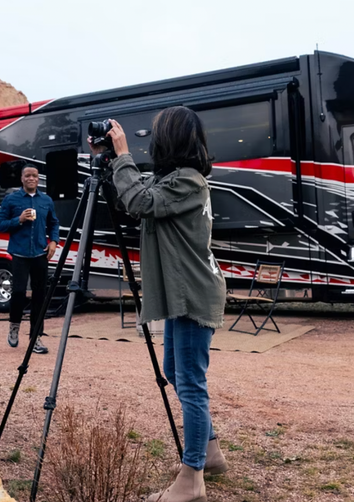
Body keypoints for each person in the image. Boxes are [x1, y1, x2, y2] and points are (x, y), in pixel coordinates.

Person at [95, 107, 227, 502]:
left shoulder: (187, 182)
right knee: (176, 370)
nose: (150, 139)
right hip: (182, 291)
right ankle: (210, 452)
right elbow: (133, 194)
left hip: (192, 293)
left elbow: (140, 201)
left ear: (169, 140)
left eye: (156, 134)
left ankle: (192, 481)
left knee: (189, 382)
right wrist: (111, 161)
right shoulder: (171, 180)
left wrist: (122, 154)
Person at [0, 163, 59, 355]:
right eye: (28, 176)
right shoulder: (11, 199)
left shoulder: (46, 200)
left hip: (40, 253)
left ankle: (36, 337)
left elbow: (53, 223)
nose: (32, 179)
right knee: (19, 293)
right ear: (22, 179)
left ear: (38, 179)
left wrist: (54, 241)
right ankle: (14, 326)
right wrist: (19, 220)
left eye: (35, 176)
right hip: (20, 254)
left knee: (40, 296)